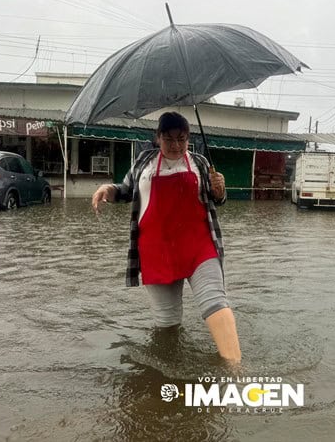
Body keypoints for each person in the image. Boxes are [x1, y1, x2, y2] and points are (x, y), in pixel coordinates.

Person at [91, 111, 241, 364]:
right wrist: (108, 189)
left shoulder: (201, 163)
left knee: (215, 300)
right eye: (169, 139)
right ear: (157, 137)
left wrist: (220, 189)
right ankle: (167, 371)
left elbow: (218, 200)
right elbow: (125, 191)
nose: (176, 146)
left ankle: (236, 369)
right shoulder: (144, 162)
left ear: (188, 139)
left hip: (199, 246)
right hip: (157, 251)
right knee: (167, 322)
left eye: (181, 139)